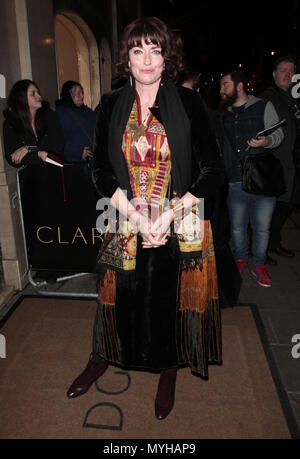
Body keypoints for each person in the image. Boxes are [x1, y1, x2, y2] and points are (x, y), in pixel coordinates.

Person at [66, 16, 222, 420]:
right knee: (114, 298)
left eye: (155, 49)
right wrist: (135, 215)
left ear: (166, 56)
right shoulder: (111, 104)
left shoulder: (189, 103)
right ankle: (101, 356)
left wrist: (166, 216)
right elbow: (99, 170)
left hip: (179, 220)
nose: (147, 59)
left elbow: (212, 170)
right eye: (138, 50)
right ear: (127, 59)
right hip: (125, 217)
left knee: (171, 300)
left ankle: (167, 368)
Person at [218, 70, 284, 287]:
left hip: (262, 179)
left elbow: (278, 135)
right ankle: (239, 259)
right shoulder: (223, 113)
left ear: (239, 86)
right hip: (235, 179)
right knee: (237, 226)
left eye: (225, 85)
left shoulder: (263, 106)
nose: (221, 90)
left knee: (262, 226)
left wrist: (266, 141)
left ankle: (258, 264)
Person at [260, 56, 300, 263]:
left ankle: (273, 242)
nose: (288, 74)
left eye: (291, 71)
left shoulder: (293, 98)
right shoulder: (268, 98)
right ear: (274, 74)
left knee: (288, 205)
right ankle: (261, 248)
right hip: (276, 164)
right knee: (272, 208)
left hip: (293, 163)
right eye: (283, 70)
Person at [3, 79, 64, 167]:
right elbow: (13, 158)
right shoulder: (10, 123)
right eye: (33, 93)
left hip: (54, 172)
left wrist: (29, 149)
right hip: (30, 176)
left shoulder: (50, 116)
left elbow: (57, 147)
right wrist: (39, 154)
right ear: (21, 97)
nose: (39, 96)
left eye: (38, 92)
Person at [55, 81, 96, 163]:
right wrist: (78, 152)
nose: (82, 96)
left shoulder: (88, 112)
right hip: (74, 163)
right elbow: (58, 142)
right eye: (77, 93)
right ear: (68, 94)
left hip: (93, 161)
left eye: (82, 92)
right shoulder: (61, 114)